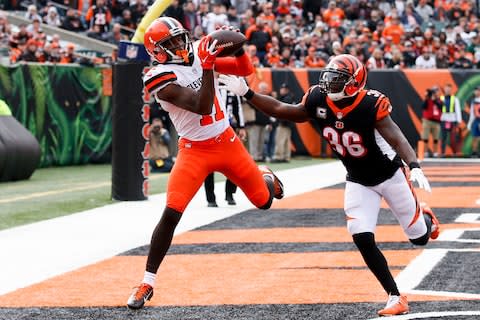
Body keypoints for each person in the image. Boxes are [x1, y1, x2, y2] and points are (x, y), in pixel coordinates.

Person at [218, 54, 440, 317]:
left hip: (391, 176)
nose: (329, 83)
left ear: (354, 83)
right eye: (329, 77)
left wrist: (413, 164)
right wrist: (247, 93)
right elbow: (282, 109)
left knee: (419, 237)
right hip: (358, 179)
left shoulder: (371, 104)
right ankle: (394, 296)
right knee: (361, 236)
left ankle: (426, 218)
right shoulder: (317, 99)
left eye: (337, 80)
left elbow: (396, 137)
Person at [127, 17, 284, 310]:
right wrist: (209, 64)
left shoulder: (199, 52)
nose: (180, 45)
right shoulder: (159, 75)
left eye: (179, 38)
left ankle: (264, 177)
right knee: (172, 211)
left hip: (226, 141)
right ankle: (147, 281)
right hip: (194, 150)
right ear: (158, 52)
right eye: (170, 43)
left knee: (264, 202)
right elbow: (202, 105)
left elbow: (245, 70)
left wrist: (237, 48)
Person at [203, 87, 247, 207]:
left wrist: (241, 126)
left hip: (229, 129)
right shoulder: (207, 85)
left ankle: (230, 194)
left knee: (234, 163)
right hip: (210, 129)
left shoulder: (230, 86)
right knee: (209, 165)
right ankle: (210, 198)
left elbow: (238, 108)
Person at [439, 84, 462, 157]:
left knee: (453, 137)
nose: (448, 90)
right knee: (443, 137)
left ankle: (455, 153)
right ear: (444, 90)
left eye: (449, 89)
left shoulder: (455, 99)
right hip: (444, 119)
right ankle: (442, 152)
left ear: (451, 90)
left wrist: (458, 120)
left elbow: (457, 110)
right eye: (446, 89)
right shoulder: (441, 98)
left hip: (452, 119)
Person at [421, 86, 443, 158]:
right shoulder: (428, 100)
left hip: (436, 121)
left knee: (436, 138)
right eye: (434, 92)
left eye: (436, 91)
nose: (435, 93)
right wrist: (427, 97)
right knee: (425, 137)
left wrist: (434, 100)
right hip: (427, 120)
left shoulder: (439, 100)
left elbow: (440, 106)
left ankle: (435, 152)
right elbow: (423, 106)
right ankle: (425, 152)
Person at [468, 86, 480, 157]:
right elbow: (472, 113)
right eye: (475, 90)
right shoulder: (473, 101)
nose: (476, 92)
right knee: (475, 136)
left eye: (478, 90)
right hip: (476, 120)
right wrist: (470, 123)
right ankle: (474, 152)